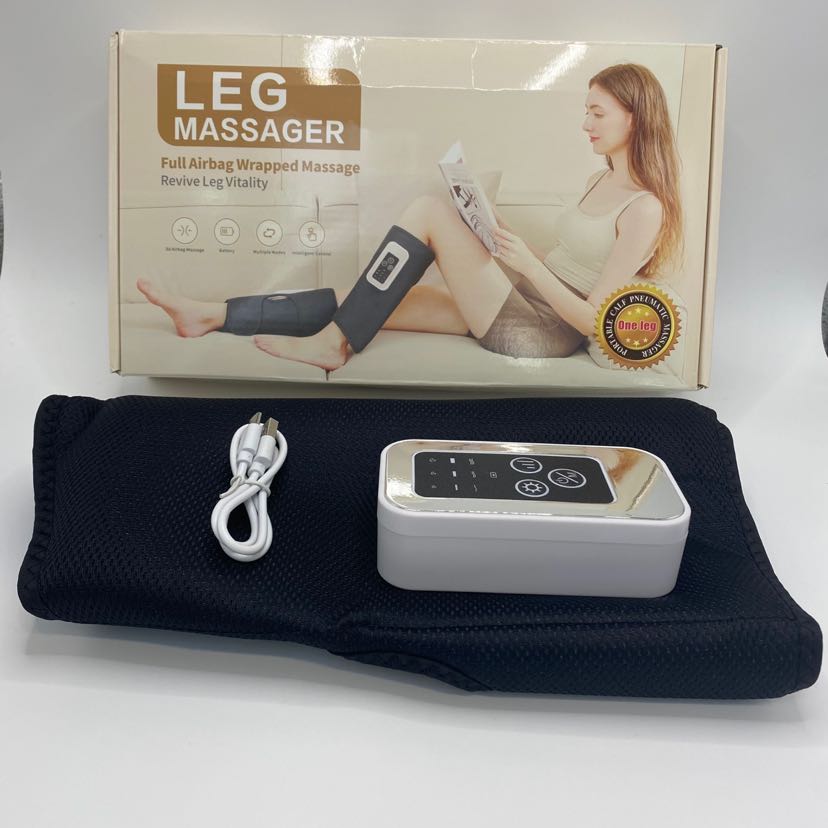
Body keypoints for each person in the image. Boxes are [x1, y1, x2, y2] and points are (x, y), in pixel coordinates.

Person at [137, 63, 682, 370]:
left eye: (597, 112)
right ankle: (213, 314)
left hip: (544, 332)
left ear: (635, 118)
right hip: (523, 298)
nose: (585, 124)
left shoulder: (644, 208)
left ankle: (332, 346)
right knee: (370, 300)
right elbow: (565, 261)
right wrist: (499, 232)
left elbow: (597, 321)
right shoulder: (598, 180)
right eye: (586, 111)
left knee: (427, 210)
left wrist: (528, 267)